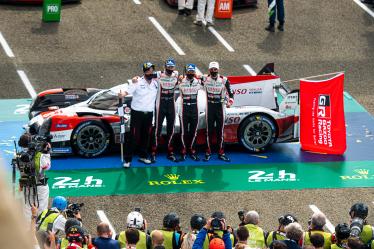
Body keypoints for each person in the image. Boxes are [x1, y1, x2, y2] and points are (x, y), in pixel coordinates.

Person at [120, 62, 159, 167]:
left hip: (149, 114)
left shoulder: (156, 82)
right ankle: (128, 160)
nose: (150, 72)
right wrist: (122, 95)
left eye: (151, 70)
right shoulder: (137, 82)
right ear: (144, 72)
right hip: (137, 113)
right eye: (148, 70)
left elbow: (173, 74)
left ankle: (143, 156)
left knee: (146, 136)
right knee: (133, 136)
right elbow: (127, 92)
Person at [201, 62, 234, 162]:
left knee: (220, 131)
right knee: (209, 131)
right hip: (209, 107)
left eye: (215, 69)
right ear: (209, 70)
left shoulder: (224, 80)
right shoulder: (204, 78)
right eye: (212, 69)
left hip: (220, 108)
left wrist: (229, 102)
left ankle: (221, 152)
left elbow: (231, 93)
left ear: (218, 70)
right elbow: (192, 77)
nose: (214, 71)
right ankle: (208, 152)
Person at [17, 132, 51, 221]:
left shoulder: (19, 155)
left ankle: (28, 232)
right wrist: (47, 153)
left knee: (27, 209)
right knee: (41, 210)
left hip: (26, 186)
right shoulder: (39, 155)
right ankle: (40, 231)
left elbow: (18, 169)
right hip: (40, 186)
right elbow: (47, 166)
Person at [151, 58, 180, 163]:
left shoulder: (176, 74)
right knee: (157, 129)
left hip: (171, 105)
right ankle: (153, 152)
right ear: (165, 66)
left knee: (170, 129)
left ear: (174, 67)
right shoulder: (159, 74)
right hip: (160, 104)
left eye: (172, 67)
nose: (170, 68)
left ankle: (170, 152)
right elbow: (146, 76)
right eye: (168, 67)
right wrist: (136, 78)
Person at [178, 64, 203, 161]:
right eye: (189, 71)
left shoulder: (199, 82)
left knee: (194, 131)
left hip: (194, 108)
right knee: (183, 132)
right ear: (186, 72)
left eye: (192, 71)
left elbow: (212, 82)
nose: (190, 73)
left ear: (195, 72)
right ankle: (183, 151)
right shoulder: (180, 81)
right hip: (183, 108)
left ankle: (192, 150)